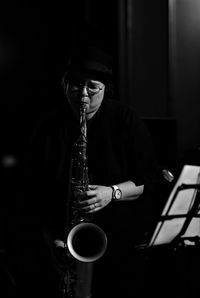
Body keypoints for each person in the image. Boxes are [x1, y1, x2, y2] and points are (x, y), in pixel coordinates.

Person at [23, 44, 164, 298]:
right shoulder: (47, 130)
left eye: (93, 87)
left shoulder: (125, 120)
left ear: (105, 89)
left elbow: (151, 178)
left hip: (121, 249)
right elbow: (33, 197)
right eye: (76, 85)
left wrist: (112, 193)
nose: (84, 96)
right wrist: (51, 241)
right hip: (66, 246)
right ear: (64, 84)